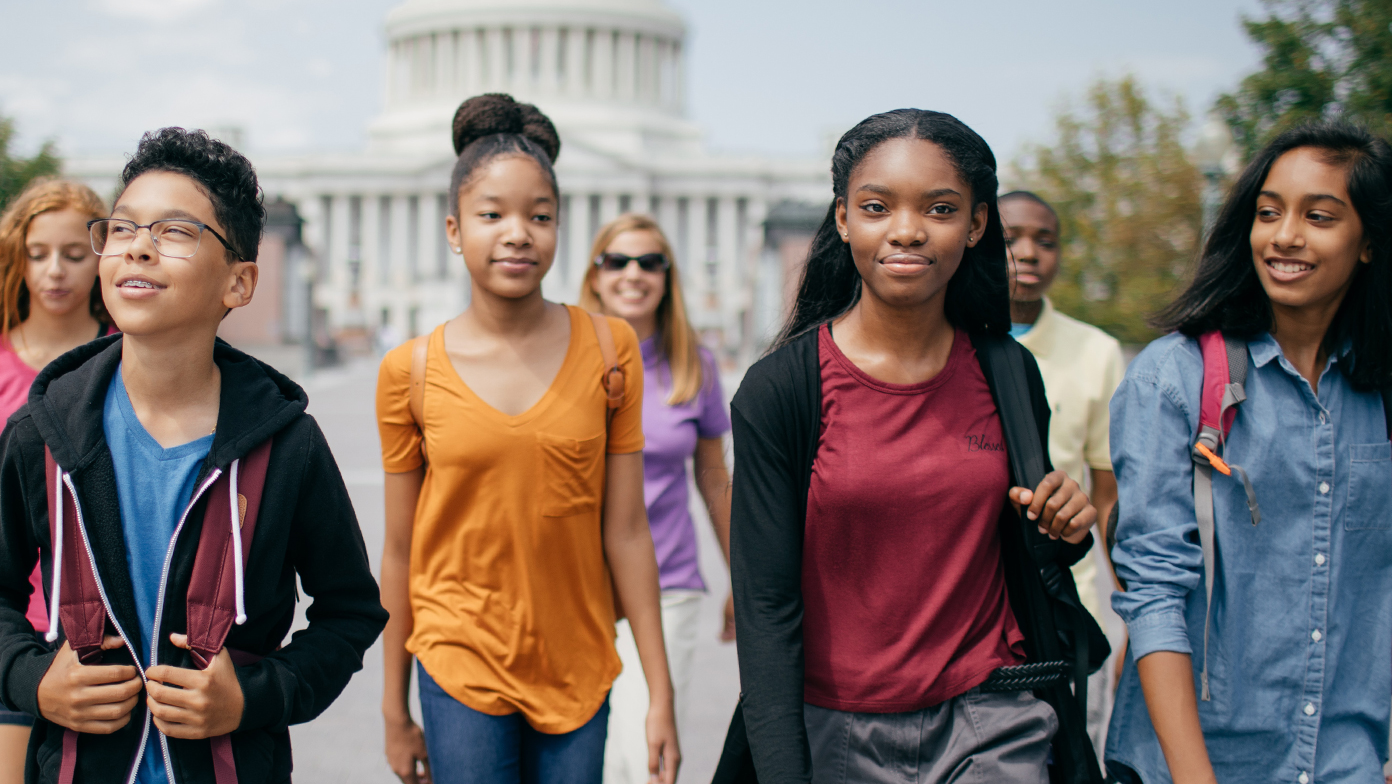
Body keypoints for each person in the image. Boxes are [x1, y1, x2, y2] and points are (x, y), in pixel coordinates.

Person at [719, 108, 1100, 784]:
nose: (906, 229)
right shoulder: (781, 391)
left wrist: (1064, 527)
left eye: (940, 208)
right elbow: (766, 605)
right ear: (843, 219)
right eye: (876, 206)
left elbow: (1022, 542)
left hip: (993, 715)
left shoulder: (1009, 373)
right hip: (835, 730)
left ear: (977, 224)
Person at [0, 128, 389, 783]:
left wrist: (258, 693)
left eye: (175, 231)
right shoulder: (41, 432)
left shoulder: (285, 444)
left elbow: (349, 612)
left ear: (238, 283)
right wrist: (34, 679)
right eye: (121, 229)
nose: (140, 247)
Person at [377, 94, 679, 784]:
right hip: (459, 655)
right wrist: (394, 707)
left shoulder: (610, 349)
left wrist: (657, 693)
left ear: (559, 228)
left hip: (577, 658)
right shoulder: (411, 370)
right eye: (492, 215)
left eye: (539, 216)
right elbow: (400, 550)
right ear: (455, 230)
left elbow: (628, 530)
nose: (518, 233)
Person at [1105, 120, 1392, 784]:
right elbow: (1153, 595)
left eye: (1318, 216)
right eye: (1269, 213)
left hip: (1346, 761)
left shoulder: (1379, 392)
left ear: (1370, 240)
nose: (1285, 235)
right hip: (1203, 763)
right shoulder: (1171, 378)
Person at [579, 213, 734, 784]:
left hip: (667, 585)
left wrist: (740, 575)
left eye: (651, 262)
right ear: (594, 275)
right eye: (617, 260)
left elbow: (714, 478)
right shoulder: (563, 357)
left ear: (668, 278)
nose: (634, 273)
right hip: (571, 587)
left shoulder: (695, 363)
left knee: (639, 759)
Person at [999, 190, 1126, 752]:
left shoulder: (1096, 351)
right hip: (978, 611)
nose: (1028, 253)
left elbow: (1112, 495)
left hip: (1066, 609)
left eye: (1044, 241)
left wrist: (1136, 625)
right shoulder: (942, 343)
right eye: (1010, 239)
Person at [0, 178, 115, 784]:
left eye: (74, 255)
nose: (55, 272)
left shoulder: (125, 357)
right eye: (38, 253)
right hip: (13, 619)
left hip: (93, 628)